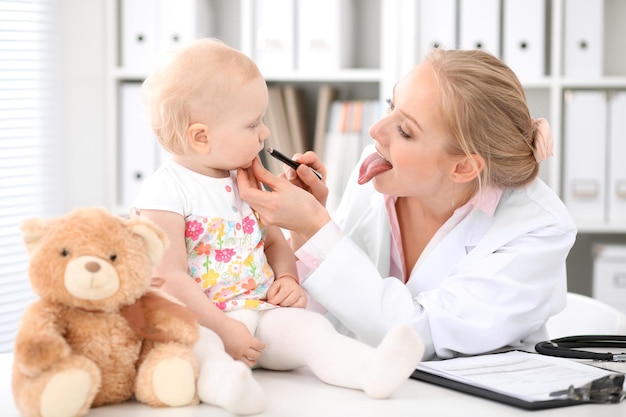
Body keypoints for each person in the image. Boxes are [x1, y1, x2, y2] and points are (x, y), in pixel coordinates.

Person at [131, 38, 423, 415]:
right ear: (201, 137)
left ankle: (370, 370)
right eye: (253, 123)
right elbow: (168, 278)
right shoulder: (165, 190)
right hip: (202, 321)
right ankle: (231, 390)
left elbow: (273, 241)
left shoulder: (246, 179)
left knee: (313, 333)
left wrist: (286, 278)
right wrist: (223, 327)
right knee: (199, 351)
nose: (265, 132)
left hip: (260, 313)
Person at [237, 48, 577, 361]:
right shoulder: (381, 172)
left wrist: (317, 230)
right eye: (390, 104)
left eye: (405, 131)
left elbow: (416, 337)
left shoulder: (538, 228)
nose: (375, 130)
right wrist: (305, 231)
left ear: (463, 167)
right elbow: (335, 308)